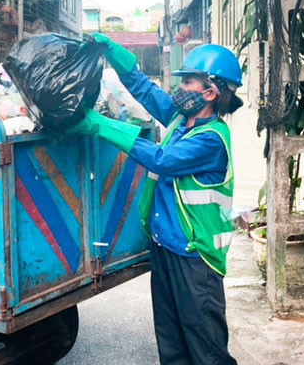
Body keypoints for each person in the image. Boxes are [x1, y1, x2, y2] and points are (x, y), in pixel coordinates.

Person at [70, 33, 242, 365]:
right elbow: (145, 90)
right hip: (164, 248)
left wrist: (101, 125)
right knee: (171, 340)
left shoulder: (211, 139)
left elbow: (162, 159)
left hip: (195, 259)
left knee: (206, 349)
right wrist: (114, 54)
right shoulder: (181, 119)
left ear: (210, 92)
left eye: (188, 81)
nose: (180, 88)